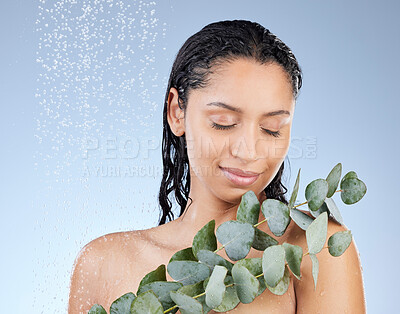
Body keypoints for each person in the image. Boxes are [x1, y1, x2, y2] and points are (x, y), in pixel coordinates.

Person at [68, 20, 366, 313]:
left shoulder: (316, 249)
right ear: (177, 112)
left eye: (272, 128)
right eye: (223, 123)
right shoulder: (103, 262)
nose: (248, 151)